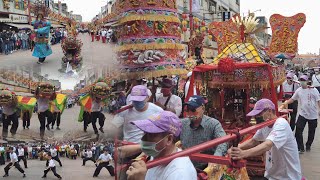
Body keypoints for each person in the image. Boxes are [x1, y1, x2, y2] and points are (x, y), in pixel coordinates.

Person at [230, 99, 302, 180]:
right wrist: (237, 148)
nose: (257, 117)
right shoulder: (264, 125)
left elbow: (267, 144)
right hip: (271, 175)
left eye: (260, 114)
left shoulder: (281, 124)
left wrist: (243, 153)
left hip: (287, 177)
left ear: (269, 111)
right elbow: (254, 141)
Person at [124, 111, 197, 180]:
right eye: (144, 133)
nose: (143, 138)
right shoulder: (157, 155)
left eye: (151, 134)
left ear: (169, 139)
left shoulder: (179, 173)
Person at [181, 95, 227, 169]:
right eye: (188, 109)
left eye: (193, 109)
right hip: (185, 166)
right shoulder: (182, 123)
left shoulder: (213, 124)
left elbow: (223, 142)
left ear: (202, 108)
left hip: (206, 167)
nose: (190, 112)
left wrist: (215, 158)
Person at [281, 74, 320, 153]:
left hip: (313, 115)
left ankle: (308, 145)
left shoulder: (314, 90)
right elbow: (292, 99)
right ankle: (300, 147)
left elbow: (318, 101)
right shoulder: (299, 90)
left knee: (311, 132)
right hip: (303, 114)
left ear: (308, 81)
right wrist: (286, 102)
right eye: (301, 80)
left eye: (304, 80)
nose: (302, 82)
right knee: (298, 130)